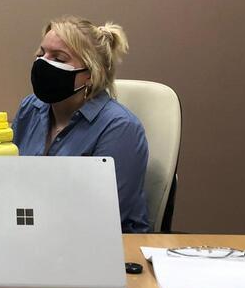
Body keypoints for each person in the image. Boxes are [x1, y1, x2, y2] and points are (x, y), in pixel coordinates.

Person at [13, 16, 150, 232]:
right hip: (37, 233)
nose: (42, 63)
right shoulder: (31, 108)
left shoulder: (120, 128)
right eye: (41, 54)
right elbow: (12, 182)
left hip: (108, 246)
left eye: (58, 58)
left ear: (91, 74)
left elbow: (102, 215)